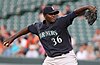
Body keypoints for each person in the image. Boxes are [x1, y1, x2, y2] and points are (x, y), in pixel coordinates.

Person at [3, 5, 96, 65]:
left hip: (66, 58)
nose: (53, 15)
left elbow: (75, 13)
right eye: (51, 14)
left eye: (55, 13)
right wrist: (12, 37)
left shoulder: (61, 22)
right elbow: (27, 29)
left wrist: (87, 7)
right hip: (50, 59)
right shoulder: (38, 26)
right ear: (44, 15)